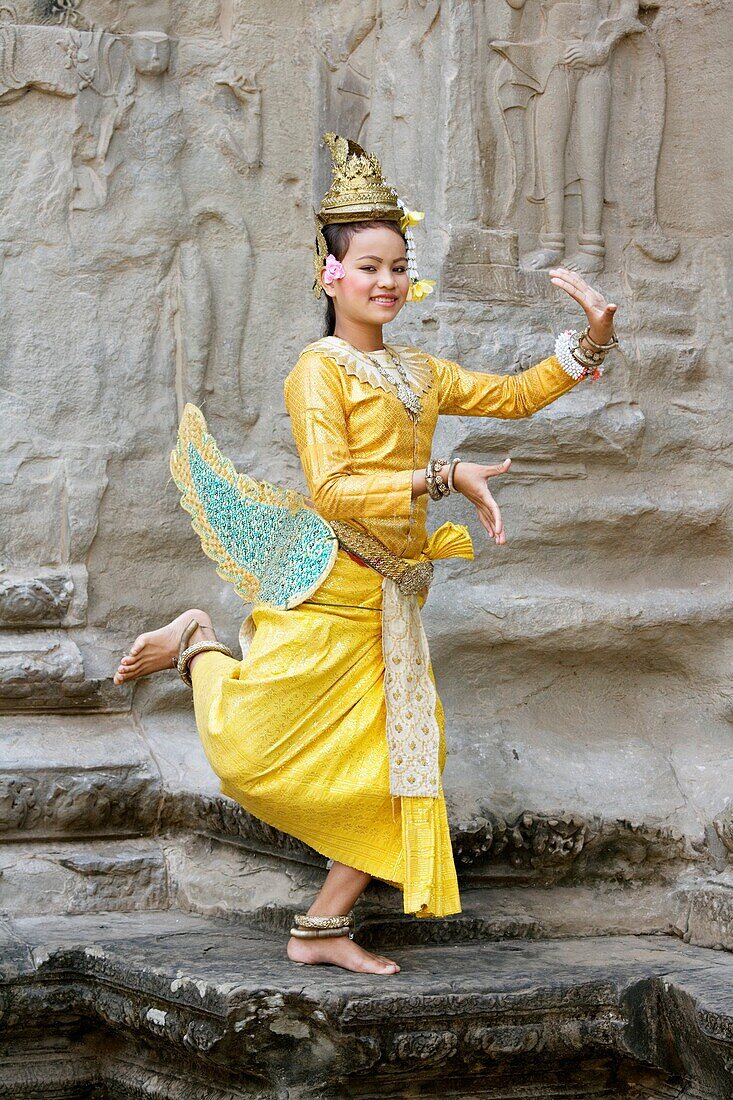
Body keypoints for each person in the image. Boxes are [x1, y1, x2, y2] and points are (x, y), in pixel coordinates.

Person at [113, 133, 619, 976]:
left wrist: (588, 342)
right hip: (333, 590)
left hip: (393, 599)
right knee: (255, 755)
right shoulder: (320, 372)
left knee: (410, 761)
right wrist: (441, 475)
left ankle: (320, 929)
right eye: (369, 266)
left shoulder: (418, 370)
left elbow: (514, 395)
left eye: (397, 266)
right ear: (331, 276)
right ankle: (200, 645)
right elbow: (334, 490)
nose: (386, 281)